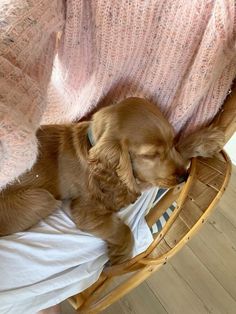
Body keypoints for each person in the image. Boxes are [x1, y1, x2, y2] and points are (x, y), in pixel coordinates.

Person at [0, 1, 235, 313]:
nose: (176, 168)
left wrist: (195, 140)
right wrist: (121, 240)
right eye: (155, 153)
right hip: (17, 192)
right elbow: (90, 211)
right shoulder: (106, 159)